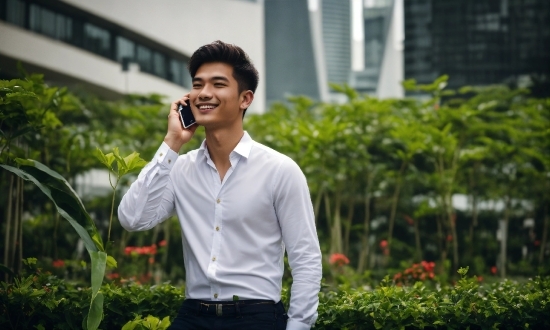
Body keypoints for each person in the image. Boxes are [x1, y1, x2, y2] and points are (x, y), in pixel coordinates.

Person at [118, 40, 322, 330]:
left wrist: (299, 326)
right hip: (193, 315)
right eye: (197, 85)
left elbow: (306, 258)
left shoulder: (280, 170)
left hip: (257, 316)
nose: (204, 94)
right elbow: (133, 219)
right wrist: (173, 142)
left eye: (218, 84)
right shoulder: (181, 169)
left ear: (245, 99)